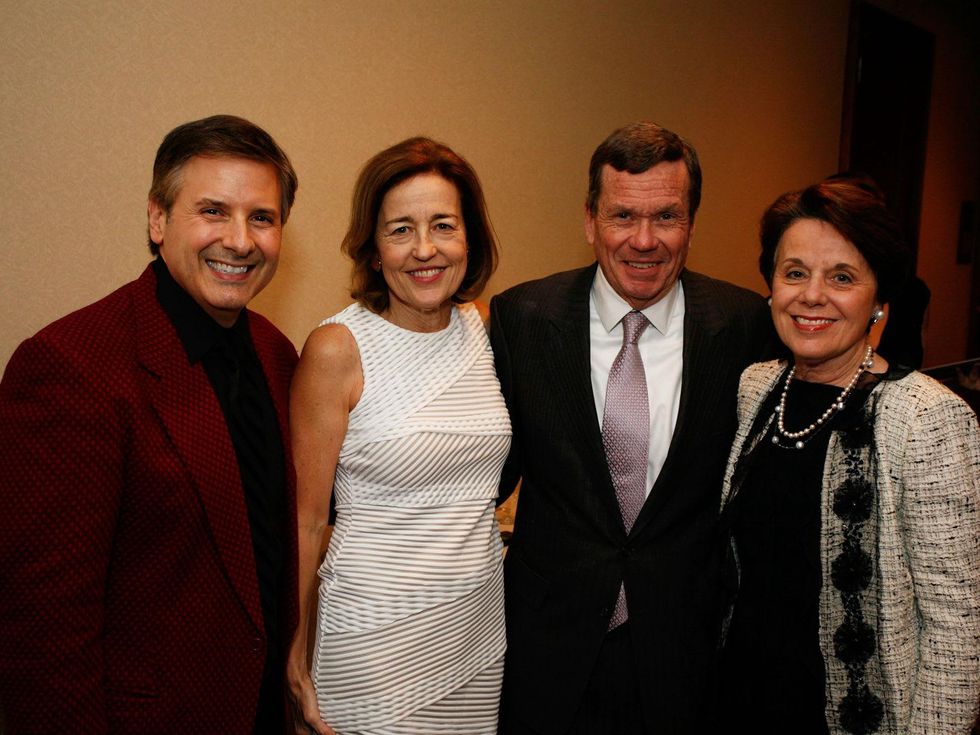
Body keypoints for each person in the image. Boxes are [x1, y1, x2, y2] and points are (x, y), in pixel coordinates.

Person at [0, 114, 300, 733]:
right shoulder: (70, 365)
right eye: (213, 211)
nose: (240, 240)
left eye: (262, 217)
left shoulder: (278, 355)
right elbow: (43, 630)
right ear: (158, 218)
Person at [489, 121, 774, 734]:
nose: (644, 241)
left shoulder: (747, 326)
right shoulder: (523, 319)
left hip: (686, 647)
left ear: (692, 222)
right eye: (623, 217)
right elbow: (483, 472)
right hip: (550, 643)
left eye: (666, 217)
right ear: (590, 220)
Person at [718, 179, 980, 733]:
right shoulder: (756, 387)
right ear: (770, 286)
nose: (812, 295)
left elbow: (957, 625)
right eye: (794, 273)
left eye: (842, 277)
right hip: (740, 699)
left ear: (879, 301)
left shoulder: (926, 418)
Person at [286, 137, 510, 734]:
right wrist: (295, 655)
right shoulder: (337, 348)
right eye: (401, 230)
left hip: (476, 632)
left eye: (443, 225)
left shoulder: (485, 331)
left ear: (470, 239)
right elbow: (306, 521)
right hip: (373, 637)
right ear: (374, 248)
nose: (425, 249)